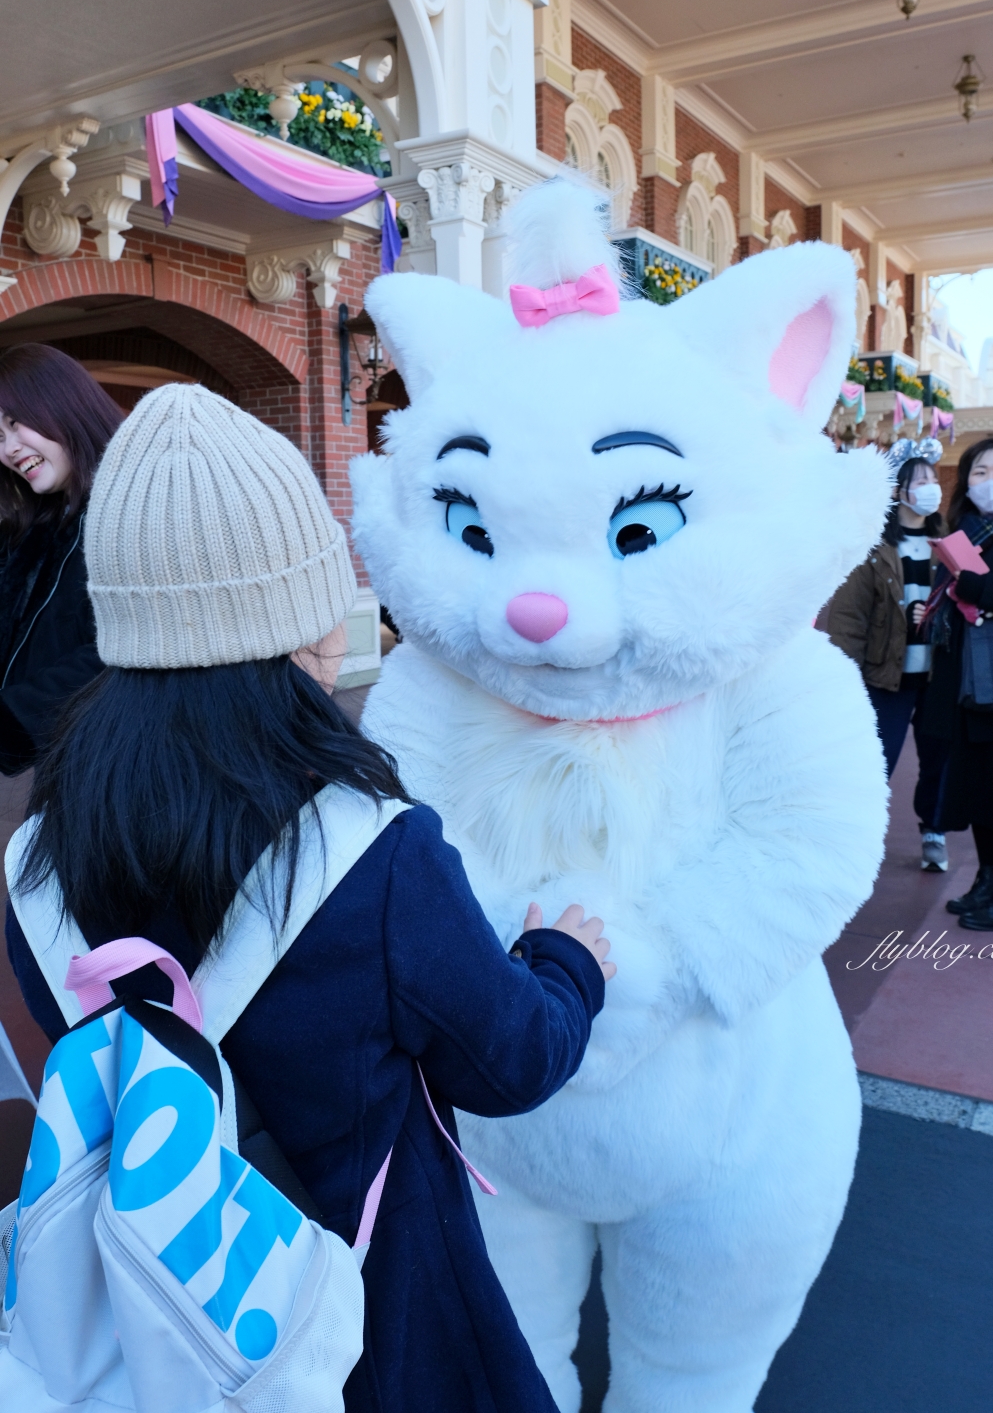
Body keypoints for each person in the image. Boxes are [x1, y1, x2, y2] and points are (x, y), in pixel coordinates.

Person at [4, 382, 613, 1413]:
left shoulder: (36, 863)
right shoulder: (371, 852)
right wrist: (567, 964)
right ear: (294, 616)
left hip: (146, 1327)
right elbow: (509, 1059)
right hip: (364, 1316)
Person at [0, 343, 123, 776]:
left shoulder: (138, 507)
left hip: (137, 771)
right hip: (69, 768)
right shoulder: (41, 527)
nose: (10, 448)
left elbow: (131, 644)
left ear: (62, 405)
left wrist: (13, 719)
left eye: (16, 425)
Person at [825, 445, 949, 871]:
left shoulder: (948, 545)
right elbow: (848, 616)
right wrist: (845, 677)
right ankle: (854, 840)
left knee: (938, 760)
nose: (930, 488)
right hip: (885, 676)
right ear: (899, 491)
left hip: (936, 678)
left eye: (934, 479)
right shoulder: (874, 545)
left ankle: (933, 830)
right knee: (875, 763)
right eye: (920, 481)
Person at [922, 437, 993, 930]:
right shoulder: (961, 532)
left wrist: (979, 588)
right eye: (979, 472)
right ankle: (989, 878)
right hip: (967, 681)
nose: (990, 482)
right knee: (981, 788)